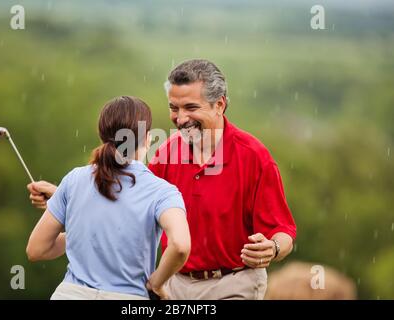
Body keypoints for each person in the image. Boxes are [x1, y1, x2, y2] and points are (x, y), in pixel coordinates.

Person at [29, 59, 297, 300]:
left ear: (220, 105)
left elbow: (284, 231)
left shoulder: (254, 157)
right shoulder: (168, 150)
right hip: (174, 284)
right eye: (174, 108)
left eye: (191, 107)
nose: (180, 119)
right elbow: (128, 195)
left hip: (233, 284)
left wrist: (271, 248)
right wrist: (65, 196)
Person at [26, 96, 191, 300]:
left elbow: (37, 249)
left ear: (102, 135)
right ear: (148, 138)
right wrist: (157, 284)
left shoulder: (74, 179)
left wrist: (86, 234)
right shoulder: (163, 192)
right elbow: (181, 245)